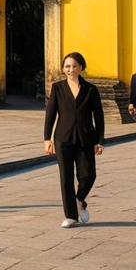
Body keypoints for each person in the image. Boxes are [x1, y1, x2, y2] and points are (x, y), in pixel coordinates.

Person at [44, 52, 104, 228]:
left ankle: (79, 200)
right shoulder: (57, 88)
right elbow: (50, 114)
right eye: (67, 66)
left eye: (74, 66)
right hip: (63, 138)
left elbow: (98, 116)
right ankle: (71, 216)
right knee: (66, 178)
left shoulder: (91, 89)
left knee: (88, 175)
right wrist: (47, 138)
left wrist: (99, 140)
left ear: (81, 68)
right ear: (63, 69)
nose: (71, 69)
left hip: (86, 138)